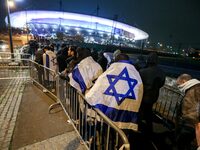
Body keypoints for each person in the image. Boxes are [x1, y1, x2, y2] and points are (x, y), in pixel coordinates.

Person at [85, 53, 143, 131]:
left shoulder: (108, 73)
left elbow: (98, 89)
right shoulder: (136, 75)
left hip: (110, 113)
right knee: (122, 133)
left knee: (108, 130)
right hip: (126, 111)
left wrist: (88, 96)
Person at [139, 52, 166, 137]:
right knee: (149, 112)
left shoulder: (142, 71)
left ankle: (139, 128)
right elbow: (162, 84)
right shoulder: (162, 72)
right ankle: (149, 129)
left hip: (143, 96)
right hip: (153, 96)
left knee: (141, 111)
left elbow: (138, 84)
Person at [176, 74, 200, 150]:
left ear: (184, 81)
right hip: (191, 124)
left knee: (182, 143)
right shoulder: (194, 88)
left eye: (179, 85)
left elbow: (194, 110)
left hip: (190, 124)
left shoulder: (194, 90)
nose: (178, 87)